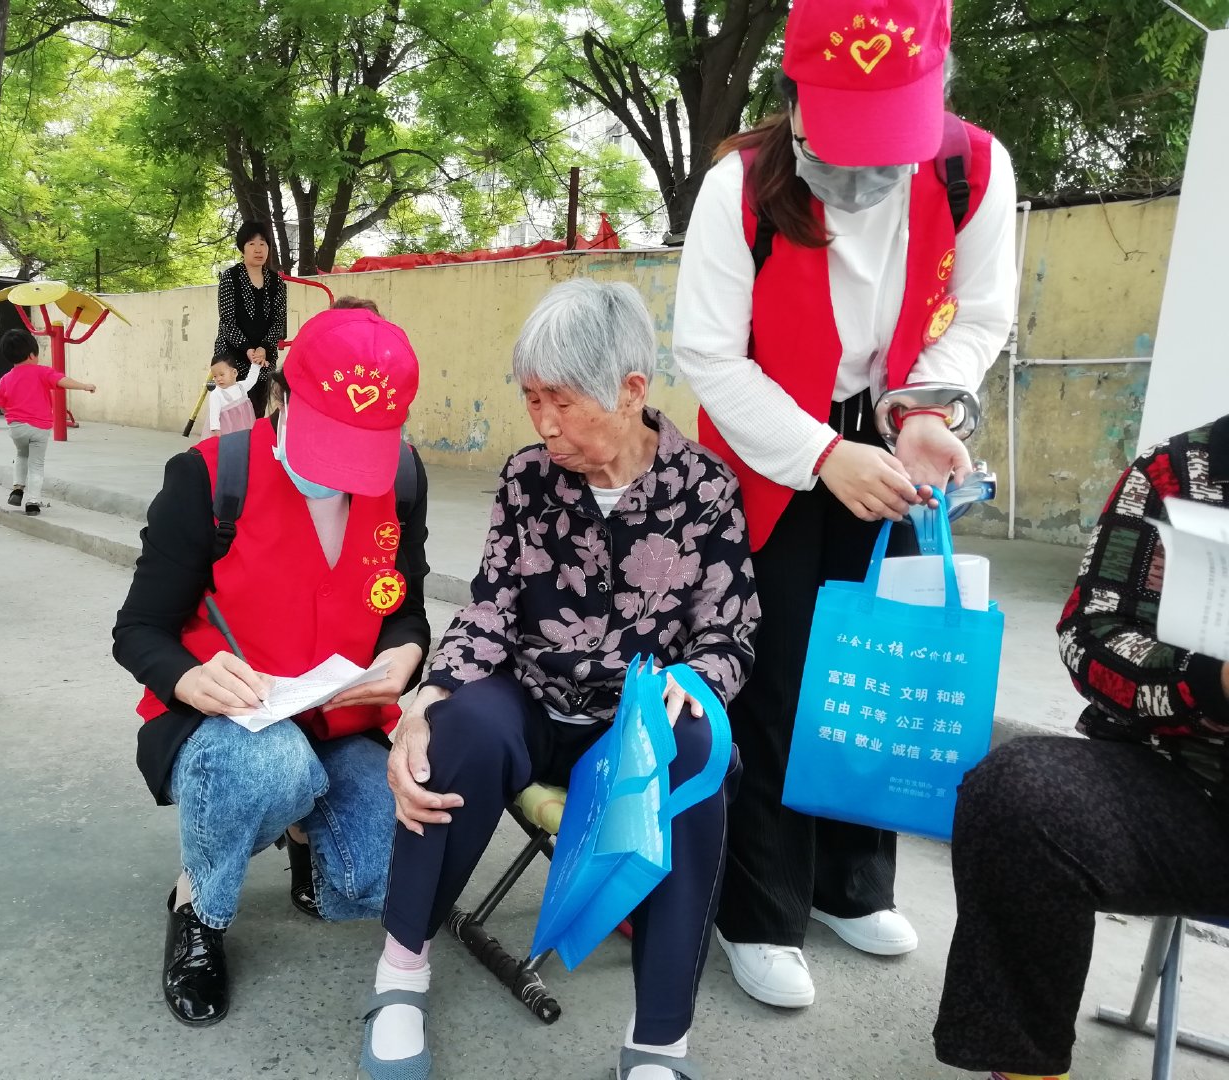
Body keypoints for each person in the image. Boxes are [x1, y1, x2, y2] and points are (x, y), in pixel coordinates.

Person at [672, 0, 1018, 1008]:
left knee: (878, 666)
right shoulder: (741, 184)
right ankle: (759, 909)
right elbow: (708, 355)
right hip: (774, 442)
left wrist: (924, 409)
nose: (866, 168)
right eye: (844, 134)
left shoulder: (974, 170)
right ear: (795, 96)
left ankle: (851, 883)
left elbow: (981, 315)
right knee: (776, 674)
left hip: (896, 430)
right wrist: (822, 454)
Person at [356, 280, 757, 1080]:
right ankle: (401, 972)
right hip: (534, 698)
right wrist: (428, 695)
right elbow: (492, 606)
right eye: (532, 399)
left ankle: (659, 1040)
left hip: (633, 721)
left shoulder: (706, 489)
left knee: (696, 750)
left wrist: (698, 676)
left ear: (631, 390)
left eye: (562, 402)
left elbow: (730, 628)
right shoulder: (528, 478)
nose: (544, 423)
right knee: (456, 730)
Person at [113, 306, 430, 1028]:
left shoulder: (402, 479)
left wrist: (406, 654)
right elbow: (138, 630)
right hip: (235, 726)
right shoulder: (210, 477)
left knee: (385, 873)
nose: (343, 475)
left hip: (342, 719)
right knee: (271, 770)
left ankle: (302, 836)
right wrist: (188, 677)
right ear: (280, 396)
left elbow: (404, 608)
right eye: (330, 441)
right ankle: (199, 905)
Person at [933, 416, 1229, 1080]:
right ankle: (1026, 1066)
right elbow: (1091, 635)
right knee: (1018, 795)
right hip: (1189, 787)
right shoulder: (1176, 474)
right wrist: (1209, 682)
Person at [0, 329, 97, 515]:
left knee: (21, 455)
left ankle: (17, 490)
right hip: (39, 428)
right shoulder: (42, 372)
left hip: (17, 428)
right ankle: (33, 502)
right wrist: (84, 386)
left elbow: (1, 406)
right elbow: (62, 381)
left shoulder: (5, 379)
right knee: (36, 464)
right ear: (32, 354)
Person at [213, 221, 287, 418]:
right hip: (232, 357)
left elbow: (278, 320)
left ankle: (253, 439)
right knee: (232, 415)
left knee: (256, 411)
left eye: (263, 244)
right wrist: (247, 349)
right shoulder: (230, 278)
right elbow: (227, 320)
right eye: (252, 244)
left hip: (263, 358)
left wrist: (263, 347)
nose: (258, 249)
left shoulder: (277, 282)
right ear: (242, 248)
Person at [204, 352, 265, 437]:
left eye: (222, 374)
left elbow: (251, 379)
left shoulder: (241, 387)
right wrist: (215, 431)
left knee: (245, 441)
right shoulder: (217, 394)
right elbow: (214, 415)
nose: (218, 379)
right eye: (215, 376)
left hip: (245, 427)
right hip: (226, 432)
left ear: (234, 373)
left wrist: (255, 365)